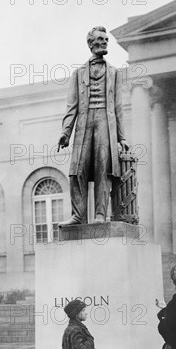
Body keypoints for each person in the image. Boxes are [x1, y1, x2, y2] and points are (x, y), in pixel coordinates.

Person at [58, 26, 128, 225]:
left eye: (106, 39)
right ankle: (78, 215)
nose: (105, 42)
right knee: (77, 169)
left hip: (106, 123)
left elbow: (119, 108)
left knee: (103, 168)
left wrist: (122, 137)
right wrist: (65, 132)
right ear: (90, 43)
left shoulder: (114, 73)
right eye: (100, 39)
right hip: (83, 122)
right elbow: (71, 106)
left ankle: (99, 215)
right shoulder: (78, 73)